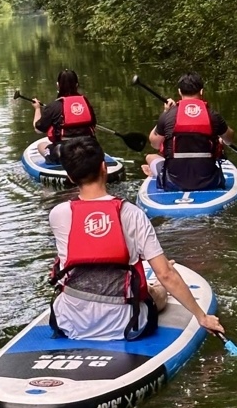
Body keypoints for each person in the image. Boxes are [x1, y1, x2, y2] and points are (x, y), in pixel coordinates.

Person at [48, 136, 224, 341]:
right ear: (104, 168)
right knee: (157, 293)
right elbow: (166, 274)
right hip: (126, 324)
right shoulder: (131, 213)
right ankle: (154, 288)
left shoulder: (58, 214)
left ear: (70, 177)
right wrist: (202, 317)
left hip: (69, 322)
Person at [142, 72, 234, 192]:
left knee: (150, 157)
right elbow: (229, 139)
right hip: (209, 181)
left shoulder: (168, 115)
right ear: (201, 91)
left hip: (173, 182)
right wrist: (221, 137)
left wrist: (165, 113)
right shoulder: (213, 115)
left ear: (180, 92)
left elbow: (154, 143)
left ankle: (153, 171)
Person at [32, 68, 97, 163]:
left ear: (58, 85)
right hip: (88, 150)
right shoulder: (85, 103)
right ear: (77, 85)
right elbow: (94, 124)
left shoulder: (53, 106)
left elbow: (38, 129)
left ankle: (57, 162)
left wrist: (37, 109)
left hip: (65, 153)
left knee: (41, 145)